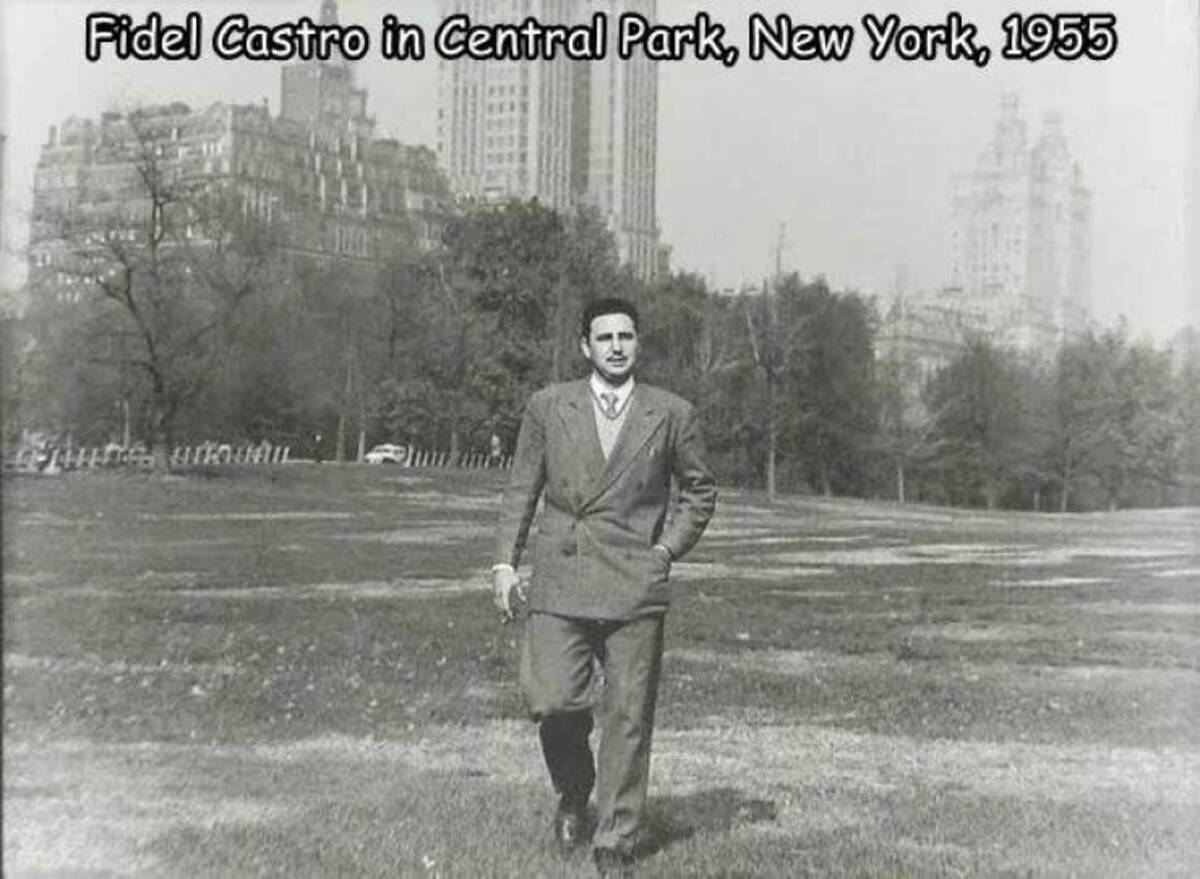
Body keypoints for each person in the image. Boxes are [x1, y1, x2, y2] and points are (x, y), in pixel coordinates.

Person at [492, 297, 716, 875]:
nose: (616, 346)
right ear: (584, 346)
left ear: (638, 343)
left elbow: (699, 492)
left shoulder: (671, 413)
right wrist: (503, 564)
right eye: (605, 337)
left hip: (634, 582)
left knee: (628, 714)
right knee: (553, 700)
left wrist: (665, 550)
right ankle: (574, 790)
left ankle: (616, 835)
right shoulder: (548, 406)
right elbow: (521, 489)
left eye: (626, 336)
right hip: (561, 576)